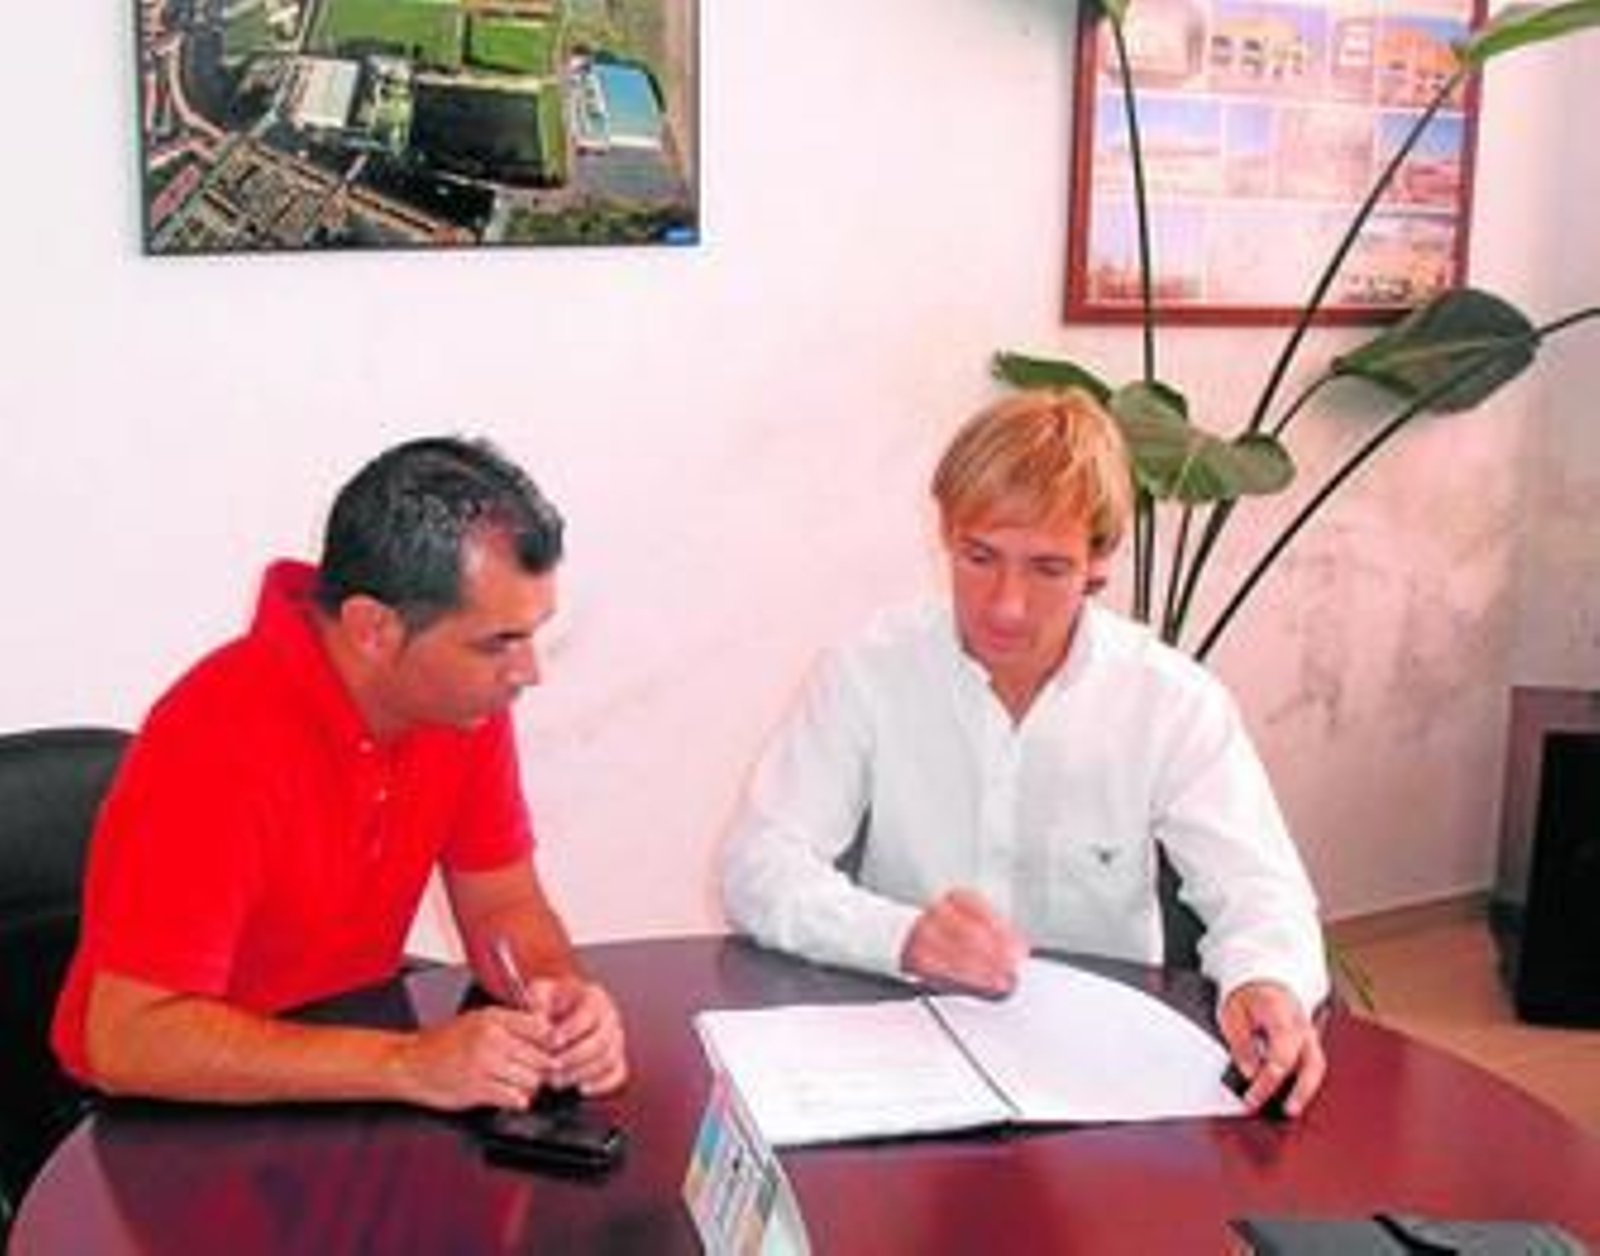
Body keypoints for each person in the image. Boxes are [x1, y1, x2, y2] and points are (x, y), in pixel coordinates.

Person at [721, 389, 1329, 1117]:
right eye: (980, 557)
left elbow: (1261, 892)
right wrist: (903, 936)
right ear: (945, 533)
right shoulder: (868, 673)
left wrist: (1266, 980)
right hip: (903, 1059)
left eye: (1047, 569)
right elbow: (758, 866)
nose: (1006, 605)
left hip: (1101, 1077)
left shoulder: (1171, 702)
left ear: (1099, 560)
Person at [52, 436, 626, 1111]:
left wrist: (557, 992)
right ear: (374, 628)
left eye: (532, 633)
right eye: (498, 642)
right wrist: (407, 1064)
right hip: (165, 1118)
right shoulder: (214, 739)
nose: (530, 673)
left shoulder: (459, 704)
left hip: (345, 1078)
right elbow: (131, 1040)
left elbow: (503, 905)